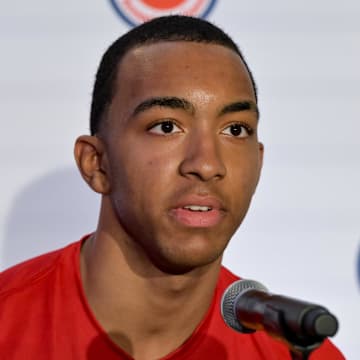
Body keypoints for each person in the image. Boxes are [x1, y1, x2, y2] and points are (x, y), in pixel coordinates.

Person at [0, 15, 344, 360]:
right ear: (96, 163)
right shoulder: (8, 322)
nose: (207, 164)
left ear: (259, 162)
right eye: (166, 126)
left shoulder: (296, 352)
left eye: (235, 130)